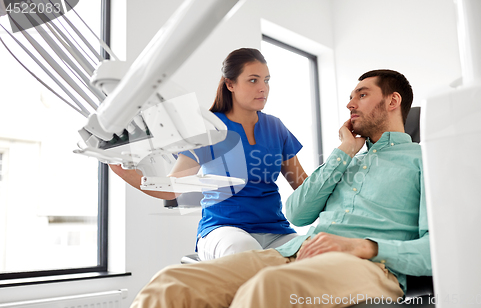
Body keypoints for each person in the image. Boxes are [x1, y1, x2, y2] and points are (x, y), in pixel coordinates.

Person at [129, 69, 432, 308]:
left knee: (269, 287)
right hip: (295, 252)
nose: (350, 104)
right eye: (350, 97)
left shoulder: (426, 161)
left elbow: (437, 250)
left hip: (370, 266)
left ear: (393, 101)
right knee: (170, 283)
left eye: (362, 95)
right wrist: (343, 153)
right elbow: (298, 213)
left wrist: (362, 246)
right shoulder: (346, 160)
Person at [110, 48, 307, 260]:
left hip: (276, 230)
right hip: (224, 230)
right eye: (253, 80)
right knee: (248, 254)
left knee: (320, 254)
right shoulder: (209, 128)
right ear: (230, 84)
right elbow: (173, 189)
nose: (263, 88)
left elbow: (304, 186)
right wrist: (123, 171)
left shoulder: (275, 127)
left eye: (266, 80)